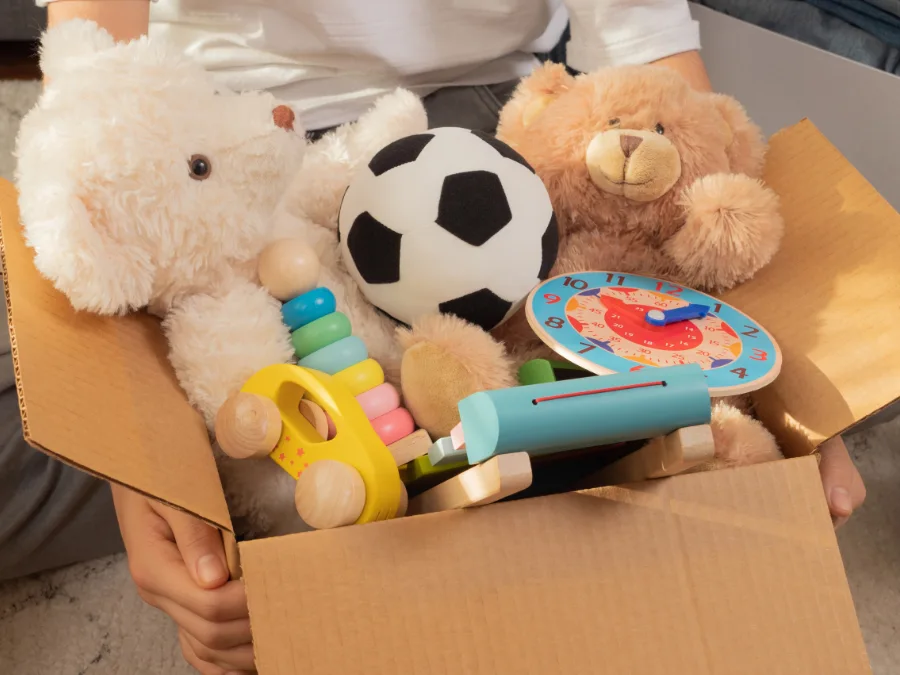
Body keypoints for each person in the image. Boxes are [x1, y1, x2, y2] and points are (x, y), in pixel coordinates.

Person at [2, 1, 866, 673]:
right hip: (204, 131)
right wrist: (131, 447)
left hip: (479, 113)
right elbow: (93, 93)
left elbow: (648, 62)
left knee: (559, 377)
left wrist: (761, 371)